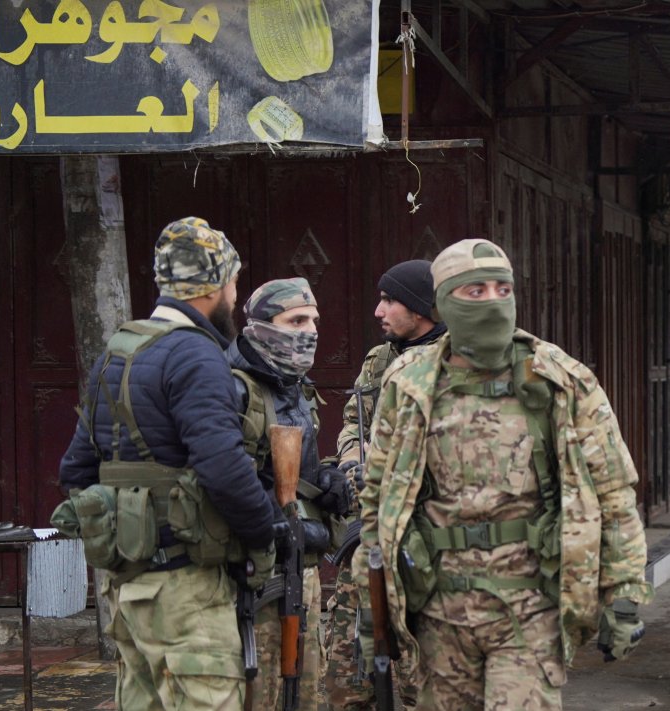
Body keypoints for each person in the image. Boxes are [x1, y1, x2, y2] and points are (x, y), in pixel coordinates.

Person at [359, 239, 650, 709]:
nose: (492, 301)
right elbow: (378, 496)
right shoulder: (409, 383)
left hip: (530, 611)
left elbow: (614, 491)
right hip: (438, 616)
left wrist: (624, 592)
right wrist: (367, 597)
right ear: (445, 302)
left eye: (502, 289)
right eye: (475, 292)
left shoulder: (561, 379)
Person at [55, 217, 282, 709]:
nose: (234, 295)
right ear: (215, 286)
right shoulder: (197, 357)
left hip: (126, 593)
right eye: (234, 283)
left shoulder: (116, 352)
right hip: (187, 595)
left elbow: (76, 469)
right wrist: (267, 533)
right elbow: (222, 466)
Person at [227, 277, 354, 711]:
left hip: (304, 565)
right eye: (296, 320)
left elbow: (301, 471)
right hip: (257, 571)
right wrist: (272, 518)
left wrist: (328, 482)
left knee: (307, 692)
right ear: (262, 326)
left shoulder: (297, 387)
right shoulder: (237, 389)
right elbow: (228, 476)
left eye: (314, 321)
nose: (310, 331)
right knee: (260, 694)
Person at [324, 259, 444, 709]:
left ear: (420, 308)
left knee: (422, 680)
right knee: (347, 675)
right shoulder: (379, 361)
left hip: (422, 544)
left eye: (389, 300)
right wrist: (355, 461)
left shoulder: (452, 362)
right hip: (367, 537)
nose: (378, 310)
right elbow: (354, 422)